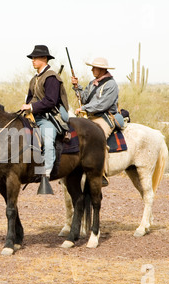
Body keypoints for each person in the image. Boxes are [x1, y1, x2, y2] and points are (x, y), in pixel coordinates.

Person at [21, 45, 70, 188]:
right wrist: (27, 108)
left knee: (48, 140)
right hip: (34, 116)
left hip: (49, 117)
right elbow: (30, 98)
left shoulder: (51, 77)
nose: (33, 60)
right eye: (32, 58)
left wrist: (31, 107)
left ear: (44, 58)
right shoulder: (34, 79)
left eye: (35, 58)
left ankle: (47, 172)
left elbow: (50, 101)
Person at [71, 57, 119, 186]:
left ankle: (102, 173)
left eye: (95, 67)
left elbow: (102, 104)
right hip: (91, 117)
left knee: (99, 139)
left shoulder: (111, 85)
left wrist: (84, 108)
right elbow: (85, 98)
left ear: (102, 69)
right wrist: (77, 87)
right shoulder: (93, 82)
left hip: (104, 117)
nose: (92, 69)